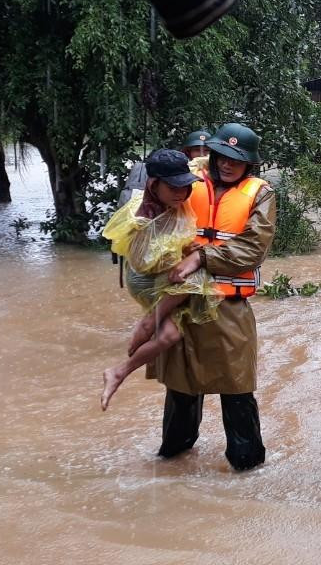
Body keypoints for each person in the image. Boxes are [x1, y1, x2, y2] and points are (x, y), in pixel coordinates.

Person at [151, 123, 276, 471]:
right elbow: (152, 212)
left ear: (249, 163)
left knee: (236, 389)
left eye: (237, 160)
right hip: (184, 301)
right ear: (213, 153)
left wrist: (200, 257)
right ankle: (171, 461)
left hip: (228, 307)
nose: (228, 165)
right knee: (180, 387)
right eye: (223, 156)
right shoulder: (187, 181)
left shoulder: (260, 194)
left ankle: (247, 466)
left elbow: (252, 248)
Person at [100, 149, 219, 411]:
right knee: (198, 272)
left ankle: (118, 372)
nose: (181, 193)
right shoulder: (144, 219)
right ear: (154, 185)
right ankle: (146, 323)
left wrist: (211, 158)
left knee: (169, 336)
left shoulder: (170, 203)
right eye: (173, 187)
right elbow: (146, 264)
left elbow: (198, 163)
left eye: (186, 186)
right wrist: (189, 255)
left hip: (162, 278)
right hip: (146, 280)